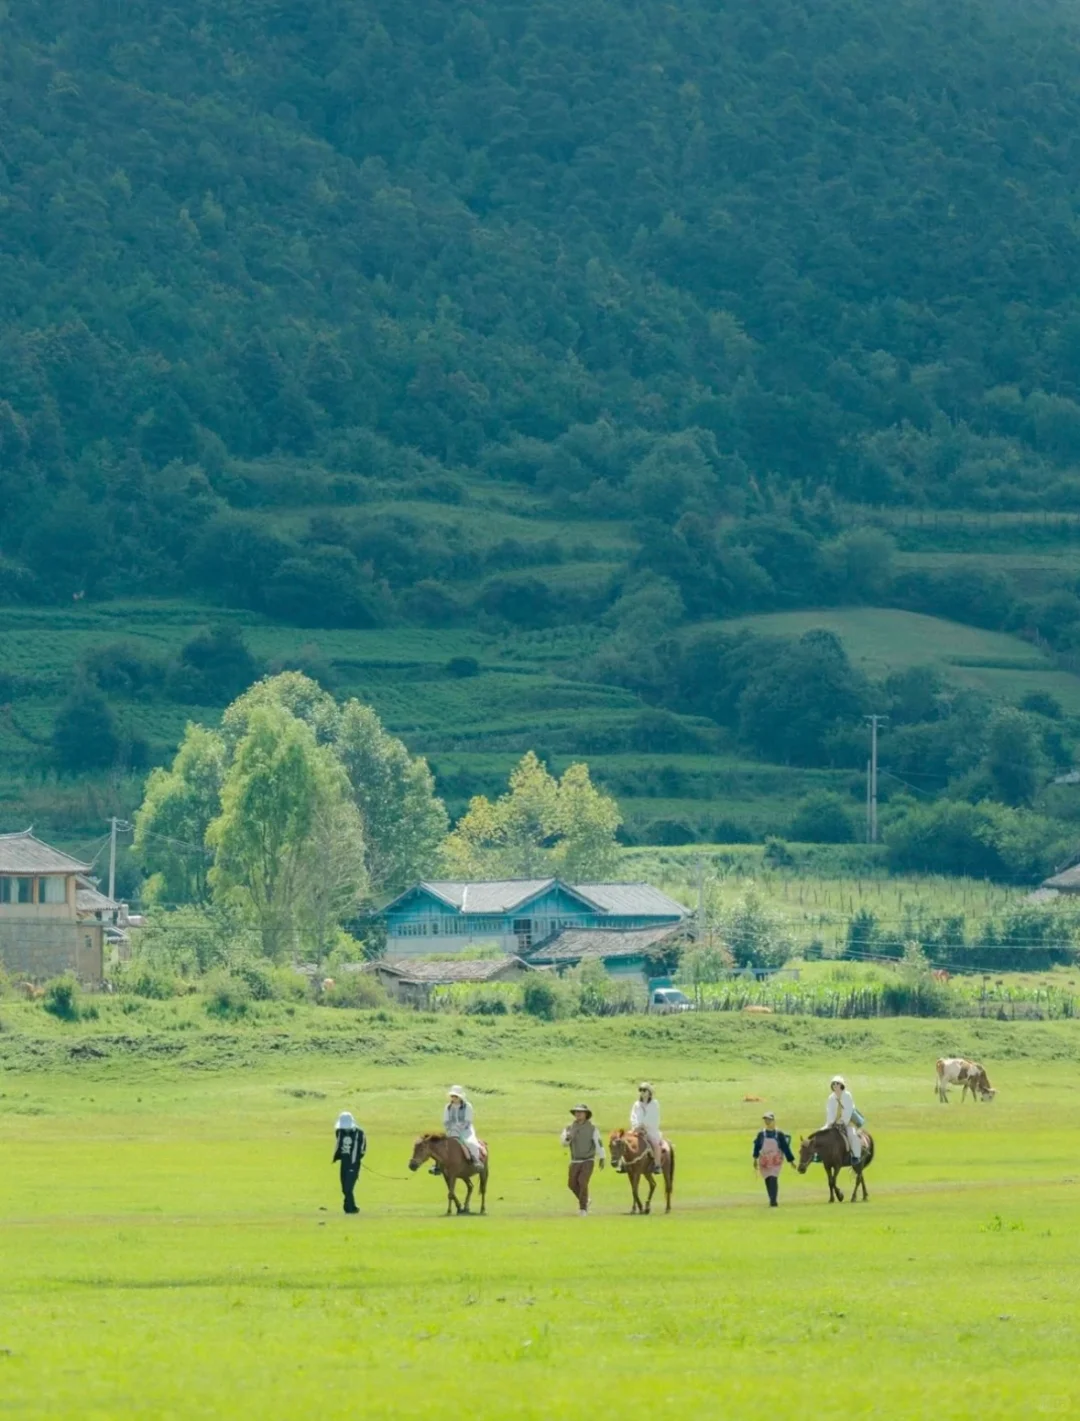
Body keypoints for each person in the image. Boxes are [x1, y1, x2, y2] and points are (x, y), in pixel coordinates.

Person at [561, 1104, 605, 1215]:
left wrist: (602, 1157)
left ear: (586, 1114)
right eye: (576, 1112)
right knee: (571, 1184)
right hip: (575, 1160)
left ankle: (583, 1209)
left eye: (581, 1112)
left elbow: (598, 1143)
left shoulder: (592, 1128)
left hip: (588, 1160)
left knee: (582, 1182)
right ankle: (585, 1200)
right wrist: (568, 1137)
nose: (578, 1114)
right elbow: (564, 1144)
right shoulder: (569, 1128)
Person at [752, 1111, 795, 1207]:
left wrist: (791, 1160)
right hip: (765, 1161)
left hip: (775, 1161)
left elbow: (785, 1147)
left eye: (769, 1120)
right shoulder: (761, 1134)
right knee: (767, 1179)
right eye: (766, 1120)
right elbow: (757, 1147)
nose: (767, 1121)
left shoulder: (779, 1134)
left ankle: (773, 1200)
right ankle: (771, 1198)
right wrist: (755, 1158)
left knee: (773, 1178)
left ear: (773, 1121)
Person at [824, 1074, 863, 1167]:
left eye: (837, 1084)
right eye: (833, 1084)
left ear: (841, 1085)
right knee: (821, 1132)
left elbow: (848, 1110)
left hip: (847, 1122)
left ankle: (856, 1157)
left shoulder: (847, 1096)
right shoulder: (831, 1098)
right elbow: (830, 1111)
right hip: (834, 1122)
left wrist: (842, 1122)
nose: (835, 1086)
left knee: (852, 1135)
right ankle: (819, 1154)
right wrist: (830, 1123)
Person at [332, 1111, 366, 1215]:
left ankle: (351, 1208)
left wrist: (356, 1159)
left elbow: (363, 1149)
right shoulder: (339, 1132)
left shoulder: (360, 1133)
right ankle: (350, 1207)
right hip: (344, 1163)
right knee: (344, 1187)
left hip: (353, 1164)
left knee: (348, 1187)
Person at [443, 1086, 483, 1168]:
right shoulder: (448, 1107)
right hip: (451, 1130)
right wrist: (451, 1128)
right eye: (452, 1096)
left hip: (465, 1130)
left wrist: (459, 1128)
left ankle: (476, 1160)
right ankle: (438, 1165)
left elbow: (468, 1121)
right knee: (442, 1145)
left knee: (470, 1143)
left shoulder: (467, 1106)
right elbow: (446, 1120)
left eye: (456, 1096)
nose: (454, 1098)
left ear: (460, 1097)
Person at [629, 1082, 663, 1172]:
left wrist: (643, 1126)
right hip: (637, 1129)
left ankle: (657, 1165)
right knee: (624, 1140)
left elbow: (653, 1117)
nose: (642, 1092)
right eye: (640, 1090)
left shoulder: (654, 1104)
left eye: (644, 1090)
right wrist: (636, 1126)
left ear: (649, 1092)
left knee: (655, 1144)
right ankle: (624, 1163)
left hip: (650, 1130)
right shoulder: (636, 1104)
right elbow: (633, 1116)